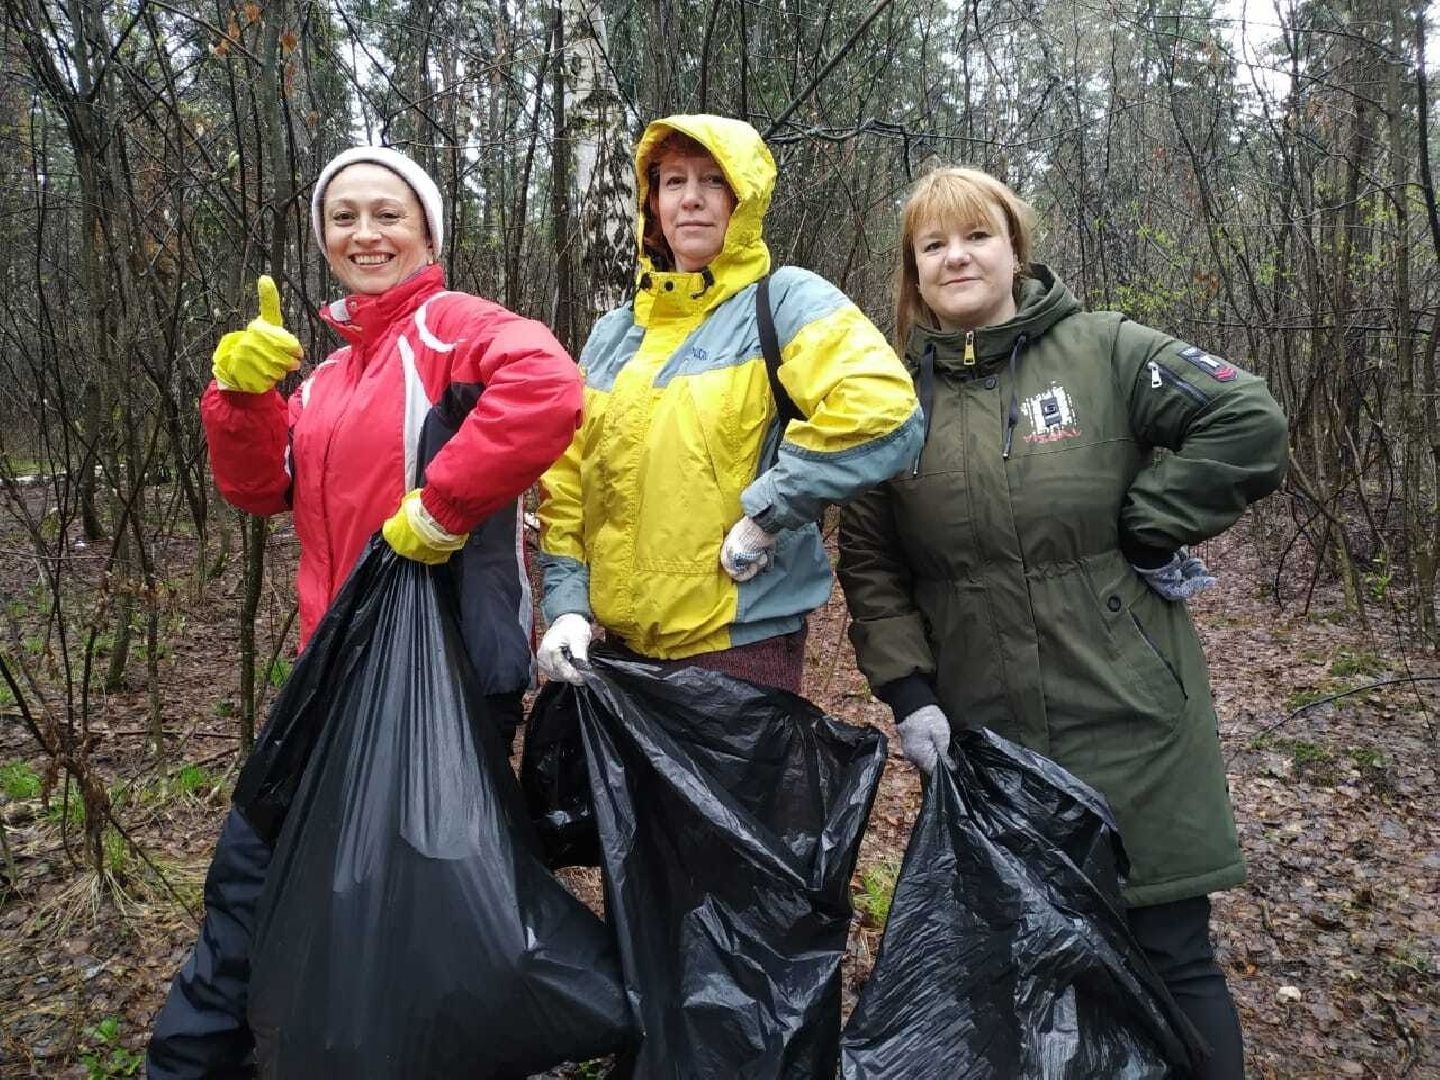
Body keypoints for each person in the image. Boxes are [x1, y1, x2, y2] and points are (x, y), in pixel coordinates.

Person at [836, 165, 1288, 1078]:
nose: (957, 257)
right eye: (933, 245)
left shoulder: (1105, 350)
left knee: (1169, 951)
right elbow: (872, 564)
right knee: (1024, 972)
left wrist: (1150, 520)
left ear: (1015, 250)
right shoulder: (888, 400)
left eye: (977, 236)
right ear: (913, 274)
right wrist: (910, 692)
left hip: (1131, 710)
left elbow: (1246, 418)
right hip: (988, 733)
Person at [147, 145, 582, 1078]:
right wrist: (240, 399)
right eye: (343, 217)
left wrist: (444, 506)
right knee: (286, 885)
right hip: (333, 670)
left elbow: (549, 389)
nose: (365, 233)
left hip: (449, 678)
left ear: (427, 232)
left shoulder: (453, 330)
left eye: (388, 213)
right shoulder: (329, 379)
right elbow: (260, 489)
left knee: (426, 916)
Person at [535, 113, 922, 693]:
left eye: (713, 180)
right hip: (620, 654)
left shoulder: (784, 302)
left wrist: (771, 511)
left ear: (743, 199)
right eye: (673, 181)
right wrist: (567, 602)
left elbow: (884, 410)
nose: (691, 199)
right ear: (652, 205)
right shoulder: (614, 336)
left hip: (741, 657)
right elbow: (567, 482)